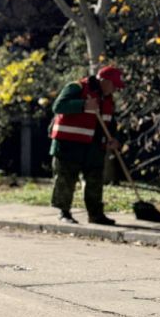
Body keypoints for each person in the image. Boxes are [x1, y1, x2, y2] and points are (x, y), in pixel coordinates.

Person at [49, 65, 126, 225]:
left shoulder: (108, 99)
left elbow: (110, 122)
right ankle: (64, 213)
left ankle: (96, 215)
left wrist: (113, 138)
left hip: (94, 146)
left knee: (95, 180)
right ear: (104, 81)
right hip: (69, 144)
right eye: (114, 85)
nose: (115, 90)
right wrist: (83, 105)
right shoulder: (76, 87)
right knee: (66, 179)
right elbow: (58, 106)